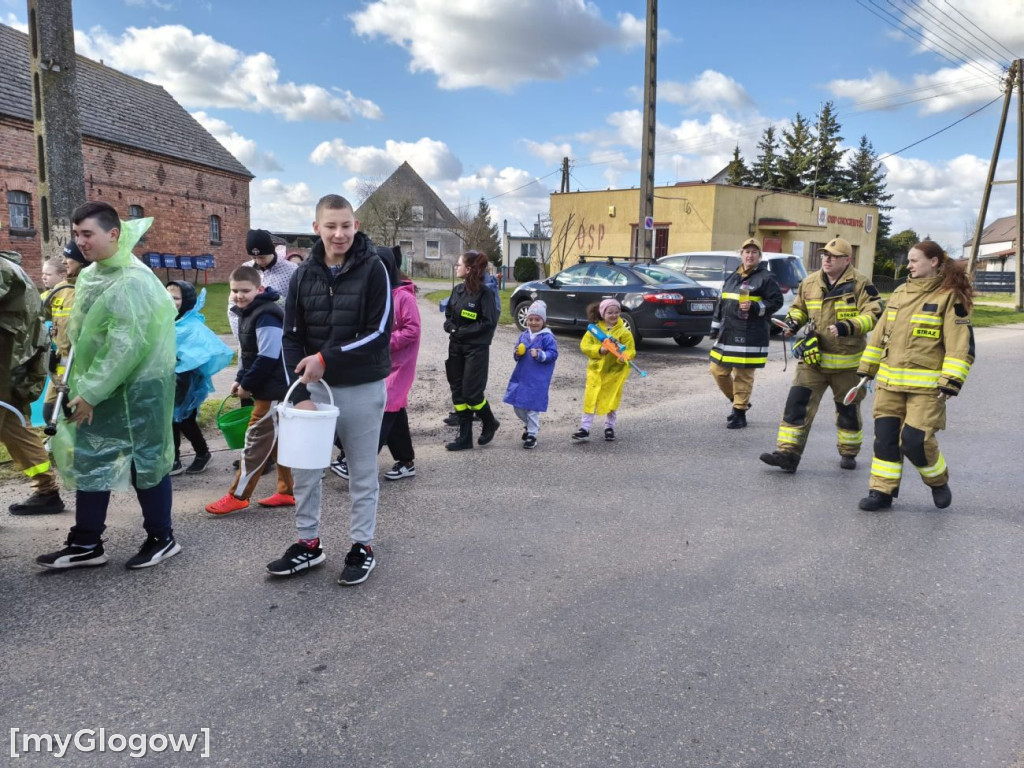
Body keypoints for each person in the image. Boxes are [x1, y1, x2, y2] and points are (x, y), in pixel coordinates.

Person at [38, 202, 180, 569]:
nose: (79, 242)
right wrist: (78, 384)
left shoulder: (131, 280)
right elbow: (87, 336)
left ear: (113, 234)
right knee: (91, 458)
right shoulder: (92, 274)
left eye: (87, 234)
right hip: (96, 386)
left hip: (139, 390)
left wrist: (91, 392)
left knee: (145, 463)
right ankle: (86, 543)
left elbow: (126, 344)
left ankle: (162, 538)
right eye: (76, 234)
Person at [268, 194, 392, 586]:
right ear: (316, 228)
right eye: (330, 226)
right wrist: (300, 392)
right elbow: (290, 337)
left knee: (360, 471)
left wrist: (327, 358)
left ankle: (362, 546)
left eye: (346, 225)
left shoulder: (375, 268)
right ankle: (308, 544)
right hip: (314, 390)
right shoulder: (303, 274)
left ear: (356, 225)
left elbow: (379, 332)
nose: (339, 234)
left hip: (362, 385)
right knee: (306, 470)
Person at [855, 240, 975, 511]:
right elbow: (879, 335)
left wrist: (951, 381)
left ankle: (938, 481)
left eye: (913, 260)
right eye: (908, 260)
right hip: (888, 384)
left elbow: (960, 344)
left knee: (914, 442)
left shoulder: (950, 297)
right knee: (885, 440)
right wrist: (867, 369)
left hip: (927, 388)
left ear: (933, 262)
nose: (908, 265)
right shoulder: (899, 292)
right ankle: (881, 491)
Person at [760, 237, 883, 473]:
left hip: (847, 365)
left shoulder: (861, 284)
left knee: (847, 411)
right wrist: (793, 323)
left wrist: (849, 326)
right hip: (813, 360)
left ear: (848, 259)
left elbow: (875, 313)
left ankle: (848, 452)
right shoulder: (810, 282)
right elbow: (799, 308)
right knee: (797, 404)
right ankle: (788, 454)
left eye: (833, 256)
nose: (826, 259)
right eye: (824, 255)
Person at [206, 266, 296, 515]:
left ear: (260, 289)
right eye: (234, 290)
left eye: (245, 290)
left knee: (254, 442)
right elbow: (248, 353)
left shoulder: (267, 315)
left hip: (274, 389)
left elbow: (268, 357)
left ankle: (238, 496)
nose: (239, 295)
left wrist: (248, 385)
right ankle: (287, 491)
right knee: (277, 441)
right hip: (268, 387)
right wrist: (239, 378)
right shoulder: (249, 312)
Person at [331, 266, 421, 481]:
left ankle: (358, 461)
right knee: (394, 409)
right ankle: (406, 461)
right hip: (380, 362)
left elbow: (412, 330)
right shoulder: (379, 293)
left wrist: (382, 343)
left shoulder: (404, 298)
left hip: (399, 363)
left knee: (384, 407)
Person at [1, 249, 65, 516]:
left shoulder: (4, 269)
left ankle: (47, 491)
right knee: (15, 429)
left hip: (6, 363)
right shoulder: (9, 267)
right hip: (12, 365)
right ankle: (47, 491)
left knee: (14, 426)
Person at [708, 237, 784, 429]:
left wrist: (755, 306)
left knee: (743, 375)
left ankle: (739, 413)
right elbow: (722, 303)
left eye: (754, 252)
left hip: (751, 333)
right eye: (747, 252)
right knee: (717, 370)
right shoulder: (733, 276)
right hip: (728, 332)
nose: (750, 255)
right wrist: (715, 328)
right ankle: (738, 402)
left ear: (760, 256)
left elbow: (777, 302)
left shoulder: (766, 277)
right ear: (741, 254)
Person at [166, 280, 233, 475]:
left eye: (176, 298)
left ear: (186, 300)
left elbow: (200, 352)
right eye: (168, 296)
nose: (171, 301)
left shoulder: (191, 325)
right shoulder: (167, 320)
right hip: (169, 378)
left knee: (184, 420)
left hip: (187, 382)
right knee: (170, 419)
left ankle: (202, 453)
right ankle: (174, 458)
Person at [444, 250, 500, 451]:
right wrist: (450, 326)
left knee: (471, 394)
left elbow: (488, 322)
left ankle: (489, 421)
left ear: (468, 269)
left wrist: (463, 331)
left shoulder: (485, 293)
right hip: (456, 348)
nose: (456, 267)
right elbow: (449, 314)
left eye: (459, 264)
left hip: (475, 350)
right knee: (457, 393)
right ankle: (465, 438)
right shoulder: (457, 290)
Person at [572, 298, 634, 442]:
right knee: (590, 399)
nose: (614, 315)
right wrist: (600, 350)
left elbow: (630, 350)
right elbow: (584, 346)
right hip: (595, 372)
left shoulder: (624, 332)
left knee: (611, 400)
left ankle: (609, 427)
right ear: (602, 314)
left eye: (617, 312)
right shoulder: (594, 330)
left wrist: (622, 357)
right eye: (610, 313)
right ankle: (585, 428)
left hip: (614, 373)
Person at [504, 299, 558, 449]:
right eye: (531, 319)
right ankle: (529, 426)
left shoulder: (547, 337)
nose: (533, 322)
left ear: (543, 321)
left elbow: (553, 354)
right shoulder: (523, 336)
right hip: (522, 376)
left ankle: (532, 435)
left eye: (537, 319)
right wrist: (517, 353)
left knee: (532, 408)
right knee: (518, 405)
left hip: (538, 379)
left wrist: (540, 355)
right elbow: (516, 354)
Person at [41, 243, 86, 424]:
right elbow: (35, 305)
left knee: (78, 416)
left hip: (80, 368)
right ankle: (62, 446)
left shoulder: (85, 289)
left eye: (69, 258)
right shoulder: (58, 292)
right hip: (61, 367)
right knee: (49, 411)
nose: (65, 261)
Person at [227, 229, 297, 340]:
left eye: (262, 257)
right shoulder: (246, 268)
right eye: (254, 257)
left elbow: (296, 304)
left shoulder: (291, 270)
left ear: (271, 251)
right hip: (249, 333)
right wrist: (242, 336)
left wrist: (276, 299)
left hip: (278, 332)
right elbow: (233, 304)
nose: (258, 261)